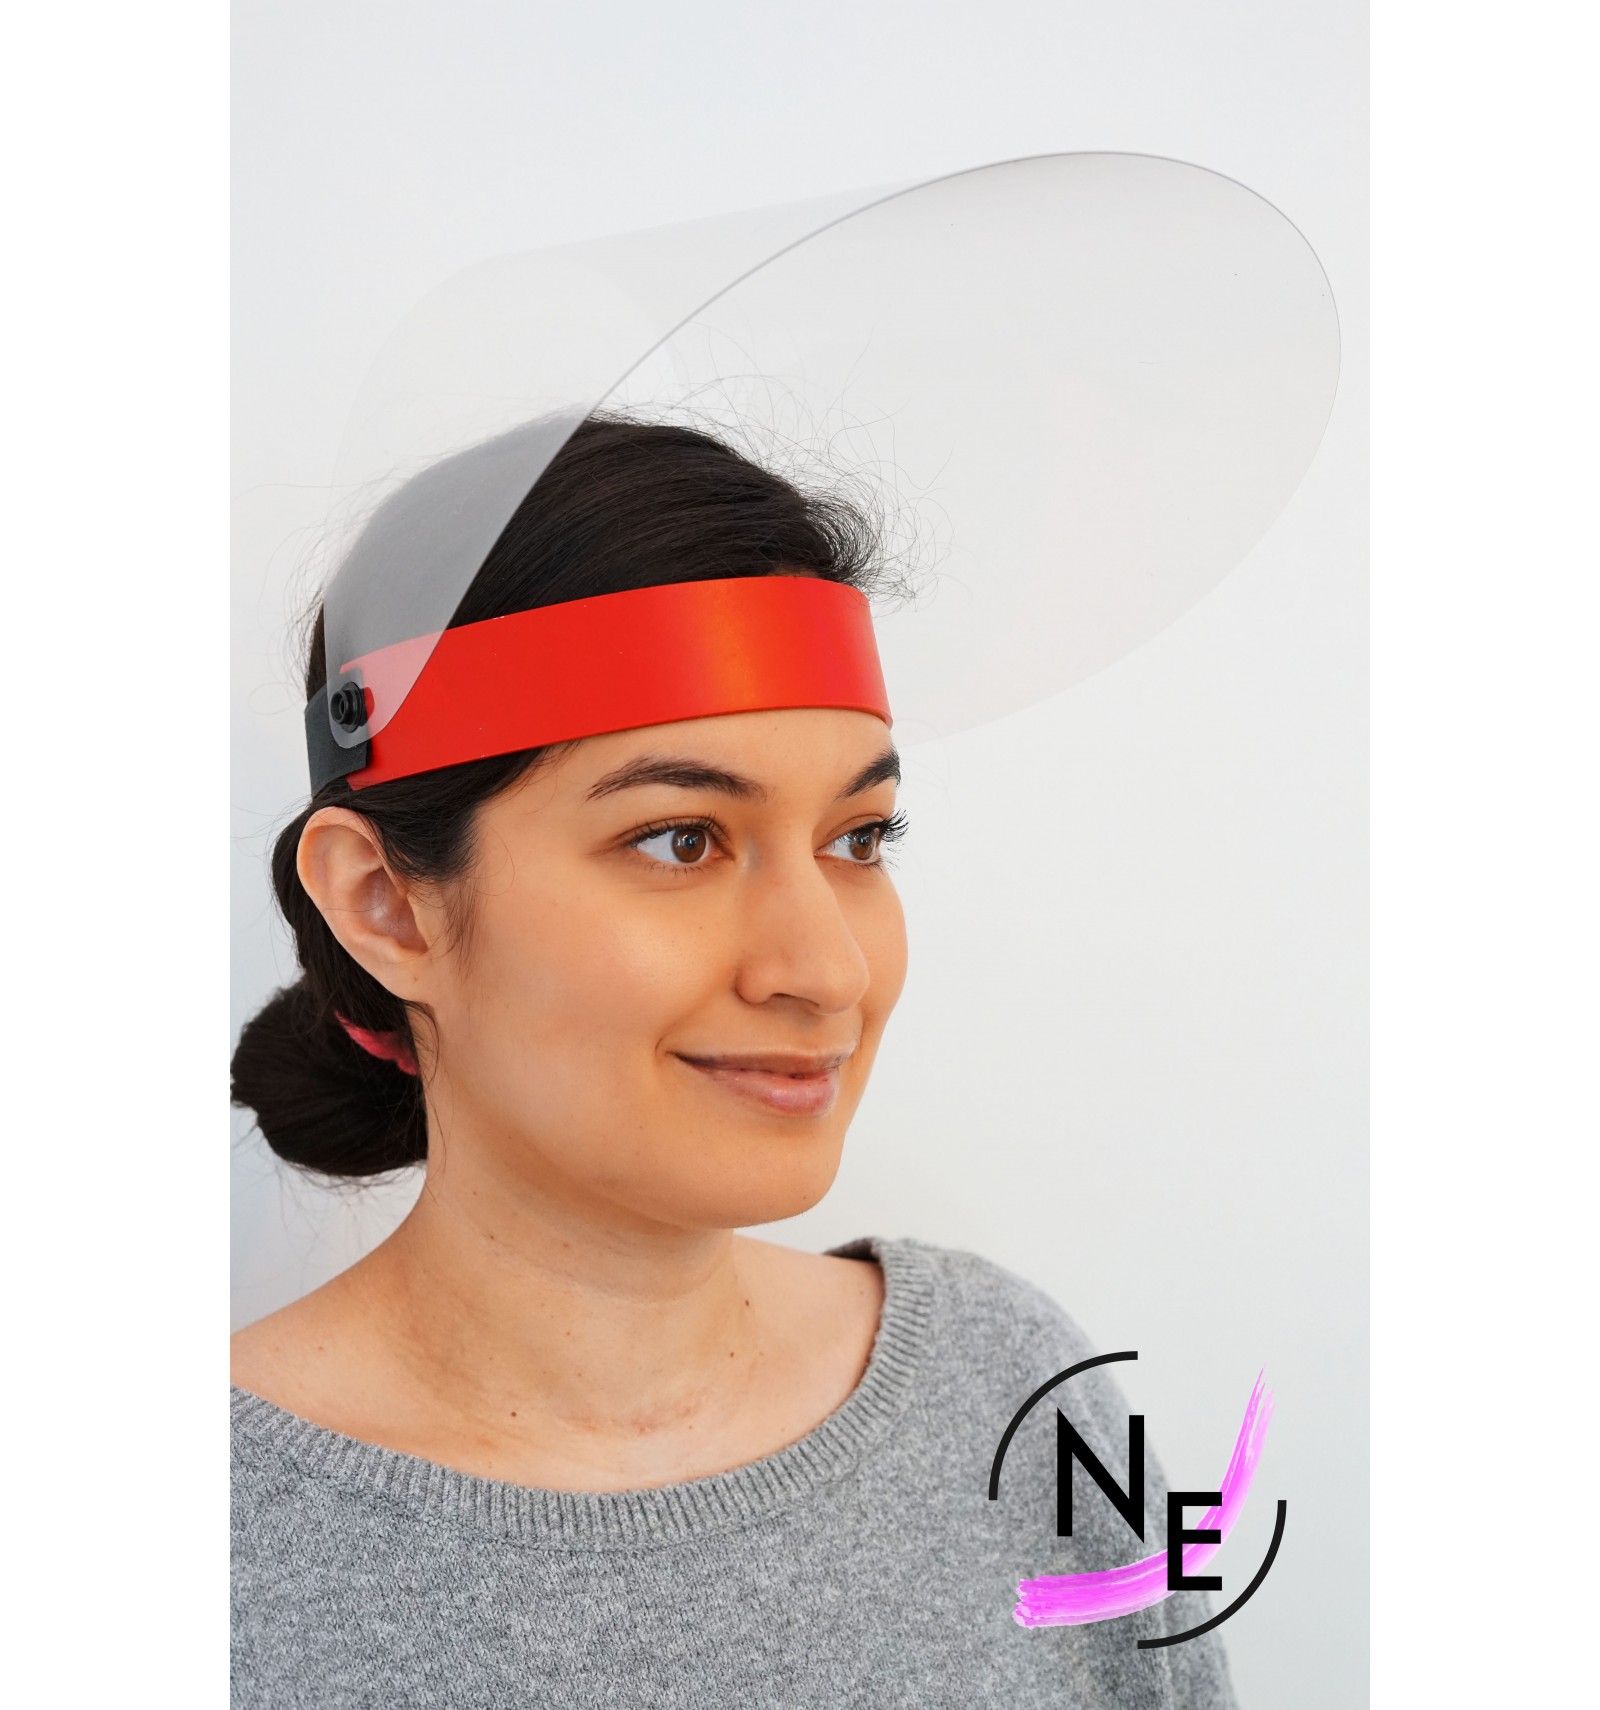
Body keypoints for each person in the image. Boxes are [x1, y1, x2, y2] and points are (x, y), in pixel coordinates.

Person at [231, 414, 1240, 1708]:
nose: (827, 969)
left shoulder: (1015, 1390)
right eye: (681, 840)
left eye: (859, 838)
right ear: (386, 906)